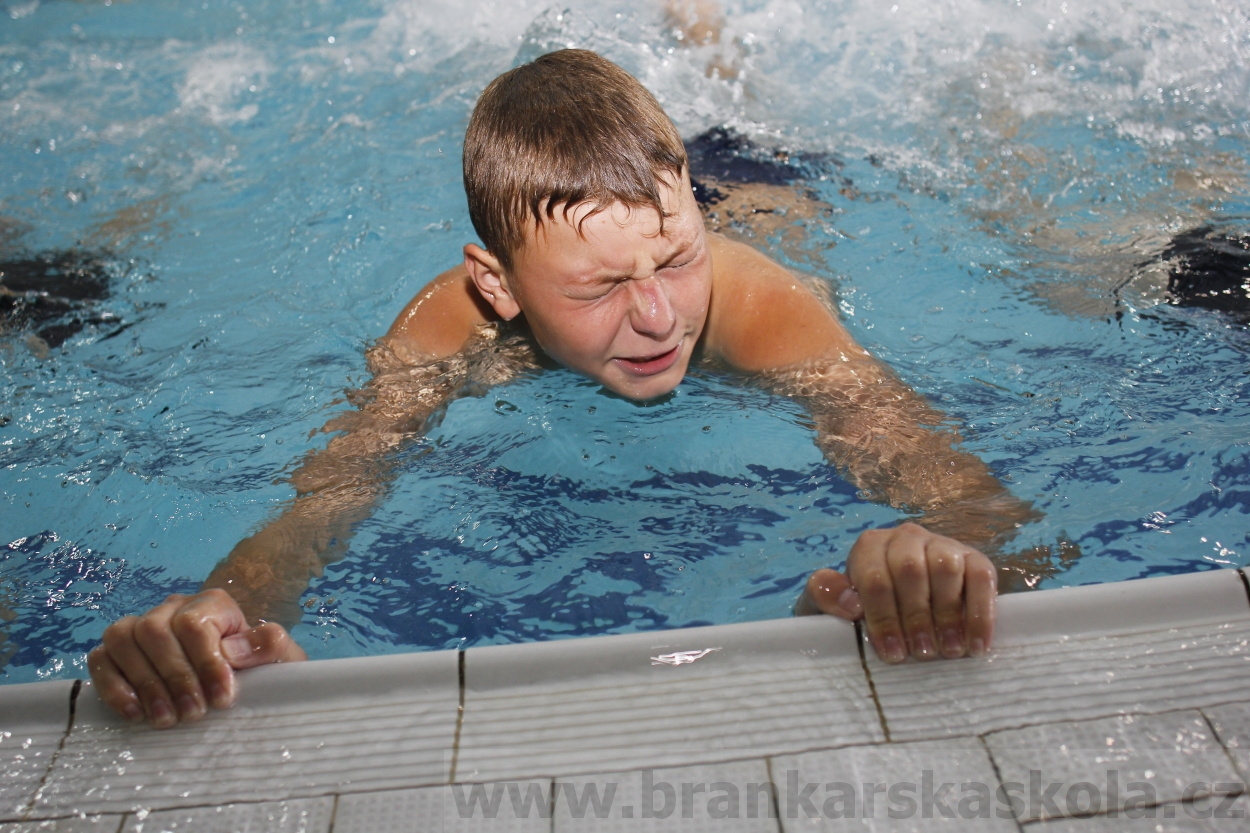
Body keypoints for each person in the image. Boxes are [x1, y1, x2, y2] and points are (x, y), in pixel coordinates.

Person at [87, 49, 1036, 729]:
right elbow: (324, 501)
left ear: (689, 221)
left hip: (776, 194)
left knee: (754, 131)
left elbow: (986, 508)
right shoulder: (451, 322)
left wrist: (939, 552)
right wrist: (224, 607)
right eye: (599, 289)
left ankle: (710, 51)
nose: (661, 316)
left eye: (676, 263)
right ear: (498, 284)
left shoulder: (766, 312)